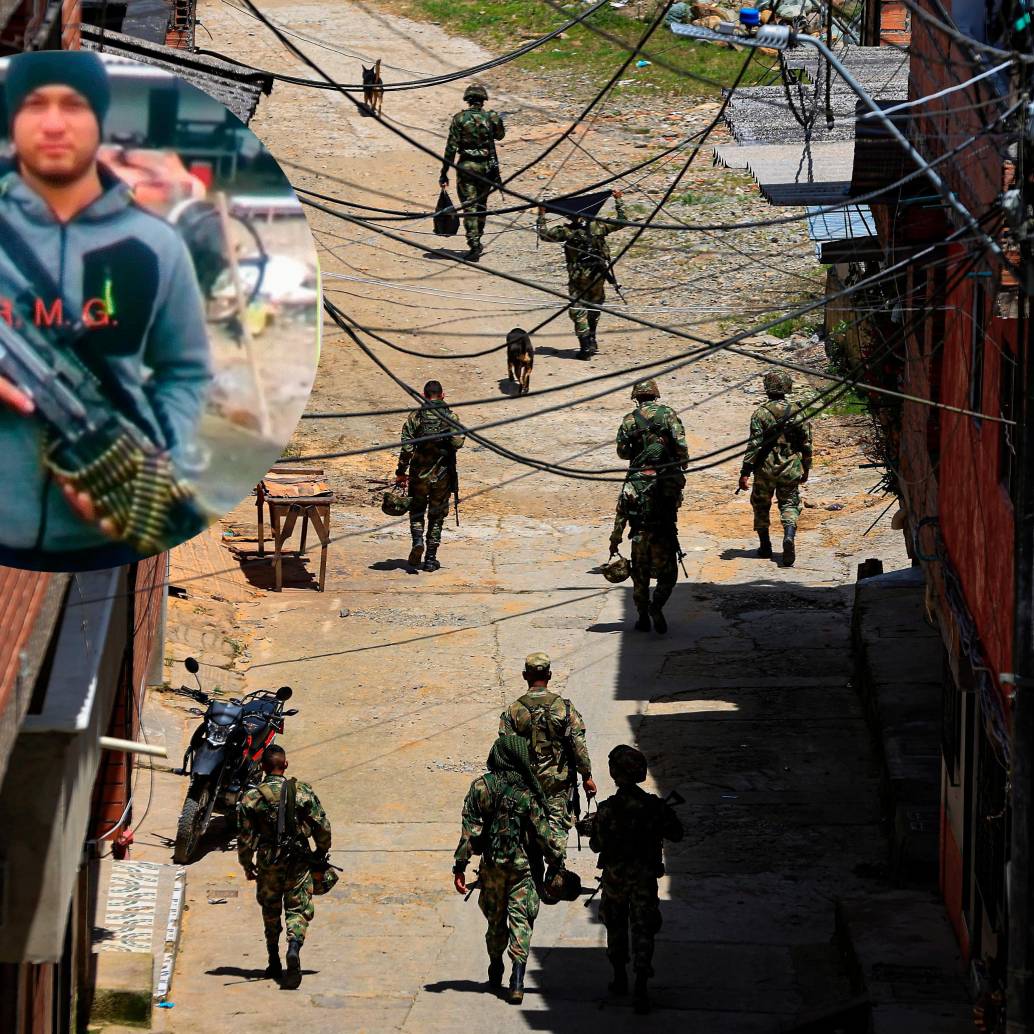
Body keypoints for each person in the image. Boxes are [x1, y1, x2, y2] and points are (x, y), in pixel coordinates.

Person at [0, 51, 212, 570]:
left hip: (109, 538)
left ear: (98, 120)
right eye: (34, 104)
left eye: (73, 105)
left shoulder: (156, 244)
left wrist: (156, 458)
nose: (53, 123)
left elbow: (185, 373)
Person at [453, 735, 567, 1004]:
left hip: (492, 868)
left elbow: (469, 832)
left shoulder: (480, 788)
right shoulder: (527, 791)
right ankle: (517, 979)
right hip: (522, 868)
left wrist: (460, 867)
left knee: (495, 921)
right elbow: (543, 835)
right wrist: (556, 860)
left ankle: (495, 965)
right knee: (521, 919)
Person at [588, 745, 683, 1015]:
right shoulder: (654, 807)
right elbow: (677, 833)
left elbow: (596, 845)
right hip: (644, 878)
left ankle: (620, 978)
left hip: (615, 879)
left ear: (616, 773)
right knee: (643, 928)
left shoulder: (607, 809)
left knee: (615, 926)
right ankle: (641, 985)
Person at [237, 745, 333, 989]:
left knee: (270, 910)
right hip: (298, 861)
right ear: (286, 765)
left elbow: (245, 839)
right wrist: (320, 852)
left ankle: (273, 961)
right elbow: (322, 826)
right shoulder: (301, 792)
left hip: (268, 862)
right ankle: (293, 947)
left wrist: (247, 865)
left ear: (263, 767)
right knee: (297, 908)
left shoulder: (251, 798)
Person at [498, 652, 596, 864]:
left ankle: (531, 872)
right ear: (549, 675)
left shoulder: (514, 711)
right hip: (557, 781)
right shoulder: (564, 708)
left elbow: (505, 749)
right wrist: (586, 776)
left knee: (527, 822)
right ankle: (556, 874)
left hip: (525, 781)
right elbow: (578, 745)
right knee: (556, 823)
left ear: (525, 676)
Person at [536, 190, 628, 359]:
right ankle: (592, 339)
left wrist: (541, 216)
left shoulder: (567, 231)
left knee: (578, 310)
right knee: (595, 306)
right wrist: (618, 200)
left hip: (578, 278)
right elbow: (623, 221)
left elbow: (543, 235)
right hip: (598, 275)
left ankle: (585, 346)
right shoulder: (599, 227)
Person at [737, 370, 813, 566]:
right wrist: (806, 467)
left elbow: (754, 445)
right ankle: (789, 537)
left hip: (765, 468)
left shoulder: (760, 413)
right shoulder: (797, 411)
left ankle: (765, 546)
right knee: (789, 504)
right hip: (790, 466)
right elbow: (806, 443)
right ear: (787, 387)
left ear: (767, 388)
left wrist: (745, 472)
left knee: (761, 505)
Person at [609, 441, 684, 634]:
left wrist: (615, 540)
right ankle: (656, 605)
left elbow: (621, 514)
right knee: (668, 576)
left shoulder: (632, 480)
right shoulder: (670, 479)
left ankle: (643, 618)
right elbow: (678, 500)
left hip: (639, 538)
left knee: (640, 578)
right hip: (663, 536)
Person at [394, 380, 465, 571]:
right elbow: (458, 443)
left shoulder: (415, 417)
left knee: (417, 511)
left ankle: (417, 541)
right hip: (442, 476)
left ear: (424, 396)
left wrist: (401, 472)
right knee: (437, 516)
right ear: (443, 395)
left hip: (418, 475)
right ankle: (431, 559)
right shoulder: (451, 417)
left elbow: (407, 448)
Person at [439, 83, 505, 262]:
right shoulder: (490, 117)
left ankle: (474, 244)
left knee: (469, 206)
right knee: (481, 204)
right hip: (486, 167)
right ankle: (477, 239)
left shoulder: (459, 119)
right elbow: (500, 135)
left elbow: (451, 148)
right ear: (483, 100)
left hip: (466, 166)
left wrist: (444, 172)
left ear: (468, 100)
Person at [616, 379, 689, 471]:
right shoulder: (667, 413)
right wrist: (683, 461)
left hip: (640, 474)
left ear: (636, 398)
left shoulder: (629, 419)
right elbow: (680, 442)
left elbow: (622, 452)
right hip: (667, 472)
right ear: (655, 396)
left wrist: (639, 455)